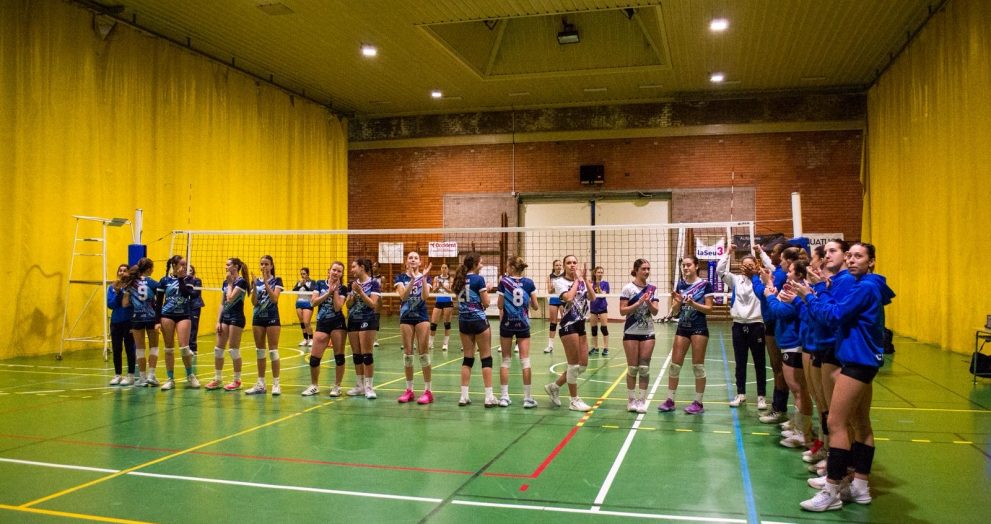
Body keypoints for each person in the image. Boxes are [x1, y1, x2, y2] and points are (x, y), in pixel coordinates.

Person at [794, 243, 894, 512]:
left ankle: (831, 491)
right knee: (861, 424)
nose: (851, 260)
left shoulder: (865, 287)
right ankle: (860, 486)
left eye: (858, 256)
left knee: (836, 423)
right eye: (850, 256)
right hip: (862, 360)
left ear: (872, 262)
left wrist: (811, 294)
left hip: (857, 361)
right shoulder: (866, 285)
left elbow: (834, 315)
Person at [764, 260, 814, 448]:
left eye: (791, 270)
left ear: (799, 274)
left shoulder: (799, 292)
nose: (787, 273)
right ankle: (798, 426)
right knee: (797, 390)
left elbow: (780, 311)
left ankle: (803, 433)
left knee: (799, 390)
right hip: (788, 343)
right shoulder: (792, 289)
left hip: (794, 344)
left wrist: (770, 295)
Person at [658, 255, 713, 414]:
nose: (685, 268)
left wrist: (692, 304)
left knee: (698, 367)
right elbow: (675, 311)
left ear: (696, 266)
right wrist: (677, 302)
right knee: (674, 366)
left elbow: (709, 309)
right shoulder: (680, 284)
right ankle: (670, 400)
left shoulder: (705, 285)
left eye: (688, 265)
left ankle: (698, 403)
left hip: (699, 328)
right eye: (683, 265)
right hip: (683, 327)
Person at [543, 255, 596, 412]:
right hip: (568, 325)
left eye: (574, 262)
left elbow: (592, 298)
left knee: (583, 365)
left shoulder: (581, 281)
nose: (572, 265)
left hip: (581, 325)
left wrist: (585, 281)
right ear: (564, 266)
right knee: (573, 365)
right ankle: (574, 401)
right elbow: (568, 297)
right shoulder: (559, 281)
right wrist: (577, 281)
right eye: (569, 263)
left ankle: (554, 387)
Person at [718, 244, 767, 409]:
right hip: (738, 325)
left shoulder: (761, 280)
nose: (747, 268)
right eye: (745, 265)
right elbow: (719, 271)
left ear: (756, 266)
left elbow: (771, 272)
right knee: (740, 362)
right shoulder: (735, 280)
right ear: (740, 267)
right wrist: (727, 252)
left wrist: (761, 256)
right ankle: (741, 394)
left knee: (759, 362)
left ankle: (761, 396)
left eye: (750, 265)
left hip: (756, 325)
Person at [497, 255, 539, 408]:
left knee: (506, 360)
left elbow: (499, 305)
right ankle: (527, 399)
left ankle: (504, 397)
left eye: (508, 266)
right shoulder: (529, 283)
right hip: (523, 324)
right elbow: (535, 306)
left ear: (512, 267)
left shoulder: (504, 282)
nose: (506, 268)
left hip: (507, 323)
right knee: (525, 360)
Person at [453, 252, 496, 407]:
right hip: (478, 321)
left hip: (463, 321)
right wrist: (487, 289)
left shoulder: (458, 279)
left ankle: (463, 396)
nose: (482, 265)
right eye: (481, 262)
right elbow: (486, 303)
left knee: (468, 358)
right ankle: (489, 397)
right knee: (486, 358)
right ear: (475, 264)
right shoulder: (479, 279)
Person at [618, 259, 659, 413]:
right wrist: (638, 303)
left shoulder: (652, 289)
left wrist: (648, 302)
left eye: (648, 269)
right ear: (636, 270)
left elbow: (655, 312)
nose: (646, 271)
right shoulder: (628, 288)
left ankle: (642, 400)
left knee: (644, 368)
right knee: (632, 368)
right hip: (631, 332)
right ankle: (631, 400)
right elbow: (622, 311)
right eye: (643, 269)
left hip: (648, 332)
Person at [303, 262, 348, 397]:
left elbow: (337, 307)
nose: (336, 273)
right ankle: (314, 386)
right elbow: (313, 302)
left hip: (338, 324)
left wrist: (335, 291)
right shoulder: (320, 284)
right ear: (329, 271)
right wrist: (328, 292)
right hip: (322, 323)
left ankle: (337, 386)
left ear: (342, 274)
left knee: (339, 358)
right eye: (334, 270)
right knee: (314, 359)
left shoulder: (343, 288)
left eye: (339, 271)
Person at [395, 252, 434, 404]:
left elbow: (425, 296)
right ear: (406, 262)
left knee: (423, 354)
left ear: (420, 262)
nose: (413, 260)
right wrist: (412, 280)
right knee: (408, 354)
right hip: (406, 317)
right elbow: (403, 296)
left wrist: (422, 278)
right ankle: (409, 390)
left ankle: (428, 391)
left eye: (415, 258)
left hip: (421, 317)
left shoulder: (426, 277)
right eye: (410, 258)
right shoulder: (400, 278)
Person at [156, 255, 200, 391]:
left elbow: (187, 294)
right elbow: (159, 302)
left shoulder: (189, 279)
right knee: (168, 348)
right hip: (167, 315)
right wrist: (157, 321)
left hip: (183, 315)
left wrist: (181, 278)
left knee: (184, 348)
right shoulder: (164, 280)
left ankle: (190, 375)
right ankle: (170, 379)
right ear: (174, 266)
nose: (185, 267)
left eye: (186, 264)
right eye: (182, 264)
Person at [205, 258, 249, 391]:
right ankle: (217, 379)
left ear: (235, 267)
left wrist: (230, 284)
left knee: (233, 350)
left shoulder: (241, 282)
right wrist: (218, 320)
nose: (226, 266)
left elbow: (230, 298)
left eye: (228, 264)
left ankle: (237, 380)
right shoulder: (225, 282)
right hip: (225, 317)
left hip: (237, 318)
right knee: (218, 349)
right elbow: (222, 303)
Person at [246, 255, 283, 396]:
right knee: (260, 351)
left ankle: (276, 384)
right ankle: (261, 384)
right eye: (262, 264)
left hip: (272, 318)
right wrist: (255, 285)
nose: (264, 266)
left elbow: (274, 299)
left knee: (273, 351)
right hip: (258, 318)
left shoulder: (277, 280)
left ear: (271, 266)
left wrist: (266, 282)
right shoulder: (255, 281)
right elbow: (254, 302)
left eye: (266, 264)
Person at [346, 258, 381, 399]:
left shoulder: (374, 283)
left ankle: (369, 387)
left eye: (353, 266)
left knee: (367, 355)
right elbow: (348, 305)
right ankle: (359, 385)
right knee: (357, 355)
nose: (351, 269)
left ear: (361, 267)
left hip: (367, 319)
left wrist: (360, 293)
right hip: (353, 320)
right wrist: (352, 296)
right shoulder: (352, 284)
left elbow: (373, 304)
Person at [128, 257, 159, 387]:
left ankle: (142, 378)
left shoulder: (131, 282)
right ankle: (151, 375)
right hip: (151, 317)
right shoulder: (153, 283)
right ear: (149, 269)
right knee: (154, 347)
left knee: (140, 349)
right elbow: (160, 300)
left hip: (137, 317)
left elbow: (126, 300)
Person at [107, 263, 136, 386]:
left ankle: (131, 374)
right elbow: (111, 304)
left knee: (130, 348)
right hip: (116, 322)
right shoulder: (112, 287)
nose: (122, 272)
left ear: (129, 273)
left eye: (125, 270)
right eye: (120, 270)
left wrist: (124, 293)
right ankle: (117, 374)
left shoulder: (132, 287)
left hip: (128, 321)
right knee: (117, 348)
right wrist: (118, 293)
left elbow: (129, 304)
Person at [429, 263, 454, 351]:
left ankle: (445, 344)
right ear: (440, 269)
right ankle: (430, 343)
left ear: (448, 269)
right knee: (433, 324)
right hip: (438, 301)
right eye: (442, 267)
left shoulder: (450, 279)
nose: (443, 269)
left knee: (447, 323)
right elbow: (433, 291)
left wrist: (443, 286)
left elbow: (452, 291)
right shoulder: (436, 278)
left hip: (448, 301)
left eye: (445, 268)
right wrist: (438, 287)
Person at [589, 266, 610, 356]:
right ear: (595, 273)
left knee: (604, 328)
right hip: (593, 307)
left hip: (602, 307)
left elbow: (603, 295)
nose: (600, 274)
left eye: (601, 272)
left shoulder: (605, 283)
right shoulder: (591, 283)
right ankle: (595, 348)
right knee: (594, 329)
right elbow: (588, 295)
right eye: (598, 272)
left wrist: (598, 286)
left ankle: (606, 348)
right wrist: (590, 285)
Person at [543, 259, 564, 354]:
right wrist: (554, 286)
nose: (559, 267)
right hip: (554, 299)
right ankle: (550, 345)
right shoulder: (550, 277)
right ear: (554, 267)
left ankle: (567, 343)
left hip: (563, 299)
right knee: (553, 323)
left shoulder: (565, 276)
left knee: (565, 322)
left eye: (560, 265)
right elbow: (549, 291)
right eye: (557, 265)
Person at [293, 267, 316, 349]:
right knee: (302, 323)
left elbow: (312, 291)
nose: (302, 275)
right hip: (299, 303)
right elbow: (294, 290)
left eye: (304, 274)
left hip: (308, 303)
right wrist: (300, 285)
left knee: (306, 322)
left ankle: (312, 339)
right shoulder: (299, 282)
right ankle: (305, 339)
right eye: (301, 274)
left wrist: (304, 285)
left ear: (308, 274)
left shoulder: (312, 282)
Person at [188, 265, 204, 355]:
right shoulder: (183, 280)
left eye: (190, 270)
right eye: (188, 270)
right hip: (185, 306)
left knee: (193, 327)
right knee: (186, 327)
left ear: (193, 271)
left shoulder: (197, 280)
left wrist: (186, 290)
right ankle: (186, 347)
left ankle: (193, 348)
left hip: (195, 306)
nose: (189, 271)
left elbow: (195, 293)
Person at [370, 261, 384, 348]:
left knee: (376, 319)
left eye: (375, 266)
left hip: (378, 299)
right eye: (373, 266)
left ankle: (375, 340)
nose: (373, 268)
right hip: (369, 298)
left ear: (379, 268)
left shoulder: (382, 278)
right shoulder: (369, 277)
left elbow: (382, 289)